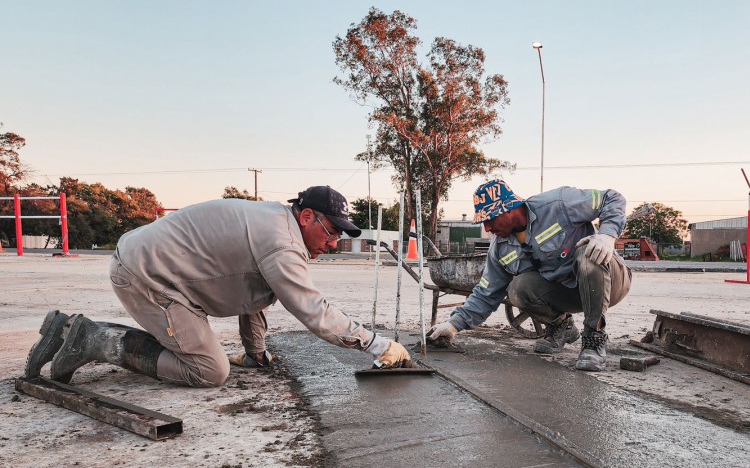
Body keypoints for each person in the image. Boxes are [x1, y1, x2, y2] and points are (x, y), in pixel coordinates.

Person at [24, 186, 411, 386]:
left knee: (210, 358)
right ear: (307, 216)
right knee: (209, 370)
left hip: (166, 275)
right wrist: (376, 343)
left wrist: (256, 352)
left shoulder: (276, 224)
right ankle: (91, 339)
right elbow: (312, 310)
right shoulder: (282, 242)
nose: (332, 244)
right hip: (147, 276)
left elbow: (255, 292)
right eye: (330, 233)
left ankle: (66, 331)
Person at [427, 178, 632, 371]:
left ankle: (594, 339)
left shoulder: (559, 204)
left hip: (609, 282)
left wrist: (607, 235)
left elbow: (611, 197)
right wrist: (454, 325)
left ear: (508, 209)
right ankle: (562, 326)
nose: (487, 227)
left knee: (588, 254)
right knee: (518, 289)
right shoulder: (500, 248)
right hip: (571, 293)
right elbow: (486, 292)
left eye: (489, 219)